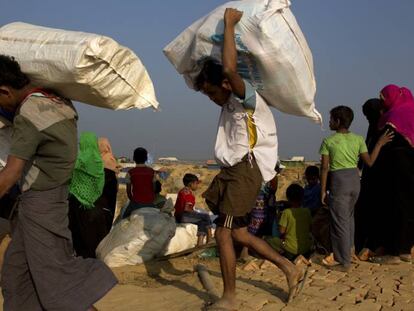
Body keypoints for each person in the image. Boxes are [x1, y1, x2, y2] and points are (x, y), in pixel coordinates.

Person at [200, 9, 306, 308]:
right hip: (233, 170)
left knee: (223, 233)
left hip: (246, 170)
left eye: (211, 92)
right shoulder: (229, 106)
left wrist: (230, 26)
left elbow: (231, 69)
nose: (211, 99)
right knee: (241, 233)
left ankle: (230, 297)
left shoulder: (246, 98)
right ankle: (289, 268)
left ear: (224, 85)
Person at [0, 55, 116, 310]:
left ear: (5, 90)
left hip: (40, 205)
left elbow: (10, 174)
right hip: (51, 200)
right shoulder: (57, 101)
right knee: (16, 274)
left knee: (59, 284)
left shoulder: (29, 115)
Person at [319, 105, 393, 271]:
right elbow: (370, 162)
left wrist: (323, 190)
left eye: (331, 119)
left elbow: (324, 168)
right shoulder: (358, 139)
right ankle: (350, 252)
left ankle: (343, 262)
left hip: (339, 182)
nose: (329, 121)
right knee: (349, 219)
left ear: (337, 121)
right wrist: (379, 144)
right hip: (354, 181)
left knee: (339, 223)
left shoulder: (329, 141)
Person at [360, 85, 414, 262]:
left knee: (397, 206)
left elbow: (384, 144)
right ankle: (406, 248)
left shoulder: (392, 117)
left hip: (398, 167)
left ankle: (396, 252)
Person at [68, 133, 118, 258]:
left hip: (77, 209)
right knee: (96, 246)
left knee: (80, 242)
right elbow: (109, 190)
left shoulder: (77, 162)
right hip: (99, 209)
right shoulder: (99, 164)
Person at [266, 184, 312, 261]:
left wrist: (278, 218)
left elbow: (281, 231)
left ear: (288, 198)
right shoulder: (307, 211)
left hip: (290, 250)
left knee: (269, 240)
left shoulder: (286, 212)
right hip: (305, 249)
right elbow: (310, 228)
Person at [174, 173, 213, 246]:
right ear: (190, 184)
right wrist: (195, 212)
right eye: (196, 183)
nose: (197, 186)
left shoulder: (182, 191)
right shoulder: (188, 194)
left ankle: (200, 243)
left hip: (178, 215)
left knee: (202, 222)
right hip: (183, 216)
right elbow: (187, 209)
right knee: (206, 216)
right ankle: (210, 238)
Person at [123, 147, 156, 218]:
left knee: (123, 218)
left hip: (136, 203)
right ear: (146, 159)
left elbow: (128, 192)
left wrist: (133, 201)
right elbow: (154, 189)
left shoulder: (130, 173)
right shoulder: (152, 172)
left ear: (134, 158)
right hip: (150, 203)